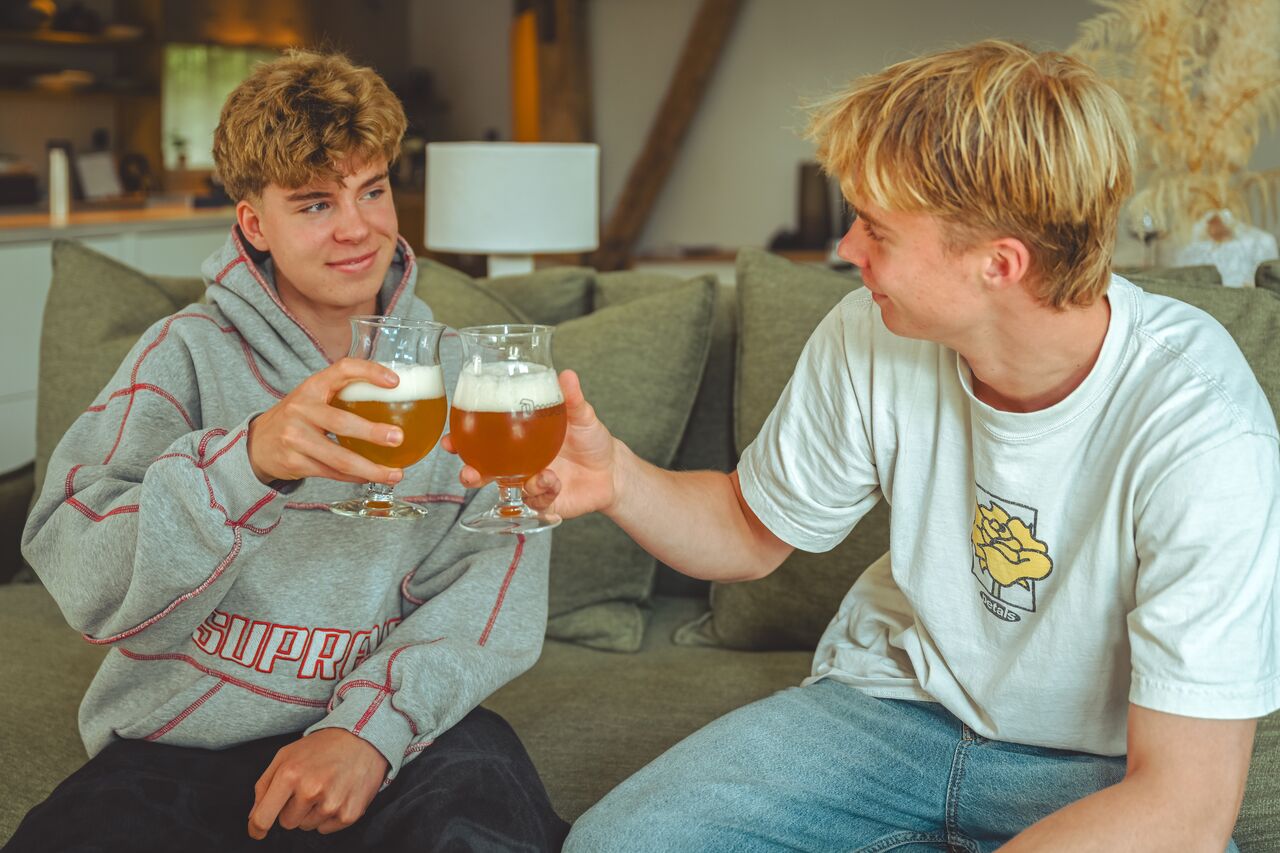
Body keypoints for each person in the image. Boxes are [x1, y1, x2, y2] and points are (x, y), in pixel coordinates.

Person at [476, 41, 1278, 851]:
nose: (846, 250)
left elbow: (1184, 806)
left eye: (877, 230)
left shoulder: (1204, 428)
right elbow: (749, 532)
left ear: (999, 264)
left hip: (1096, 770)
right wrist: (616, 476)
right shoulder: (870, 330)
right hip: (889, 714)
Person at [12, 51, 567, 853]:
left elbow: (493, 589)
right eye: (314, 203)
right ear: (253, 222)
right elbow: (72, 559)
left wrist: (369, 731)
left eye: (371, 190)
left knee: (484, 817)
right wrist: (247, 461)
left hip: (402, 742)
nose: (358, 227)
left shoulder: (469, 377)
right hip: (180, 742)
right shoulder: (183, 354)